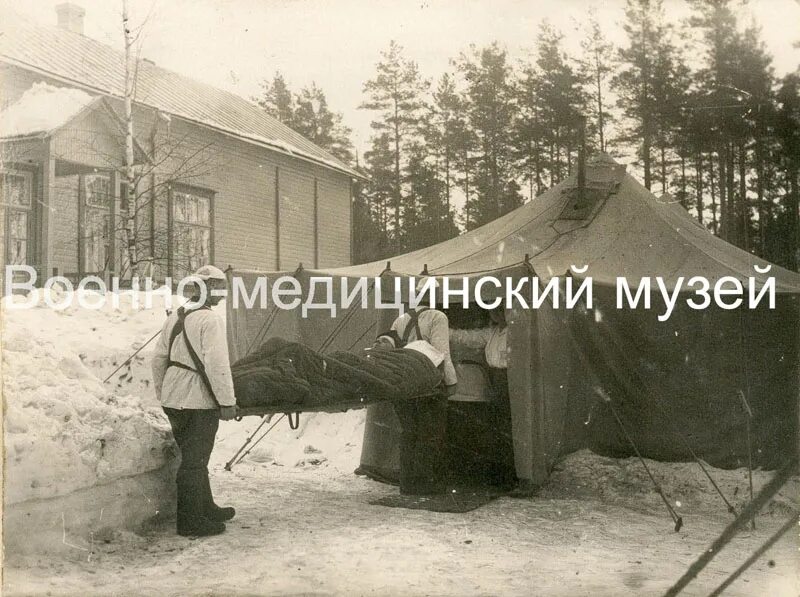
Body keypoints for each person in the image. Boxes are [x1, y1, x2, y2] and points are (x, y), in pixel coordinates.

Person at [151, 265, 238, 537]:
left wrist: (164, 392)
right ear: (208, 289)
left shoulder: (176, 318)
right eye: (220, 289)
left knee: (194, 457)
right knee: (195, 461)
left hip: (174, 398)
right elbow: (217, 364)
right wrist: (227, 401)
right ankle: (190, 522)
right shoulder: (210, 321)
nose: (223, 296)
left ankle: (206, 507)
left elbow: (157, 359)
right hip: (198, 401)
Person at [389, 277, 458, 495]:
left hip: (404, 384)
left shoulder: (400, 320)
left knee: (409, 433)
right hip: (429, 384)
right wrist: (452, 381)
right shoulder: (438, 317)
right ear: (435, 295)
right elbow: (441, 353)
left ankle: (408, 485)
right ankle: (431, 486)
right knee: (432, 434)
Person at [483, 307, 516, 486]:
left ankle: (508, 475)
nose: (493, 314)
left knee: (505, 425)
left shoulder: (513, 331)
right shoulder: (494, 331)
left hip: (507, 378)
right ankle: (498, 473)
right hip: (495, 377)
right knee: (496, 424)